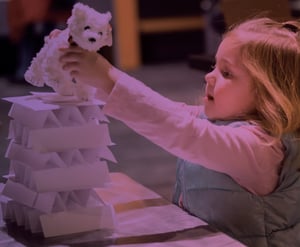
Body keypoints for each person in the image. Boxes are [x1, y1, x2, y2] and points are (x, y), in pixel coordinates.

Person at [58, 17, 300, 247]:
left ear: (270, 96)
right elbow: (166, 112)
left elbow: (181, 130)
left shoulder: (260, 149)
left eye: (226, 73)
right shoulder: (221, 122)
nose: (209, 76)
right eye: (215, 65)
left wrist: (109, 77)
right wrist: (92, 77)